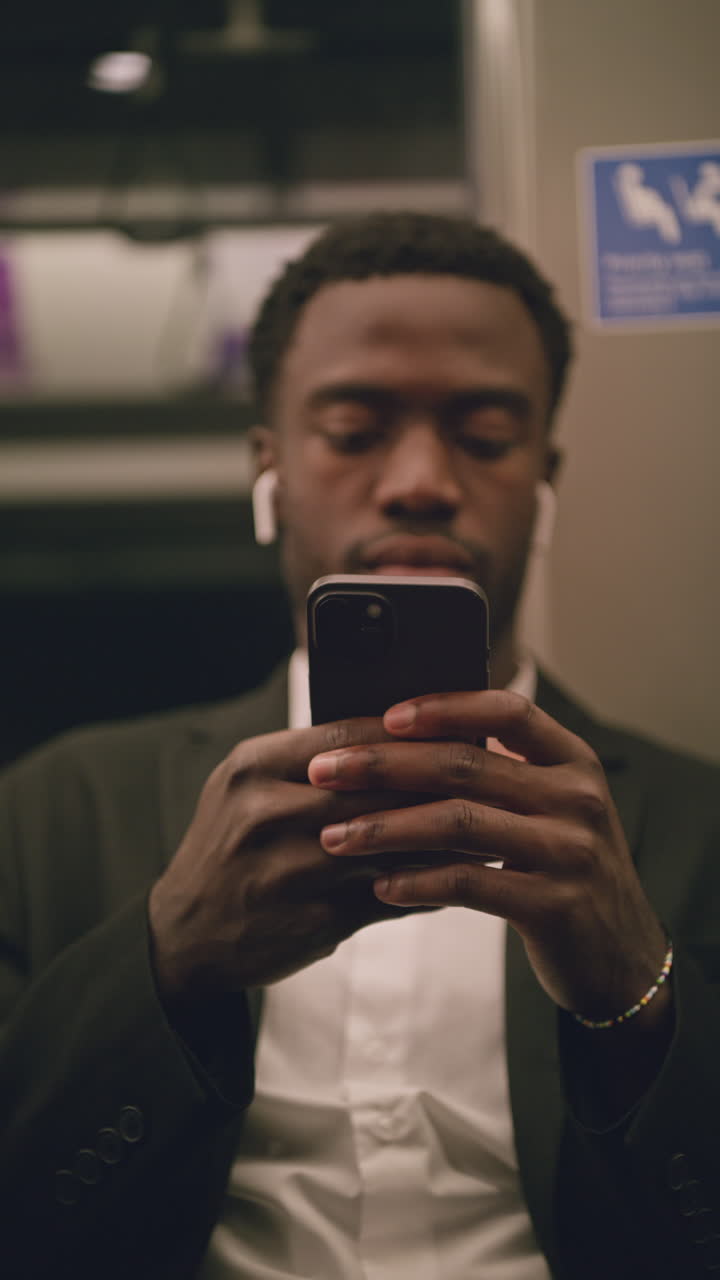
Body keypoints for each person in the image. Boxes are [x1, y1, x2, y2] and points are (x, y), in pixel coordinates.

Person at [1, 212, 718, 1280]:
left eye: (485, 437)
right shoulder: (54, 809)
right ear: (271, 468)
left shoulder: (700, 824)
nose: (421, 480)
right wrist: (167, 960)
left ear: (545, 476)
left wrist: (638, 996)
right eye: (352, 430)